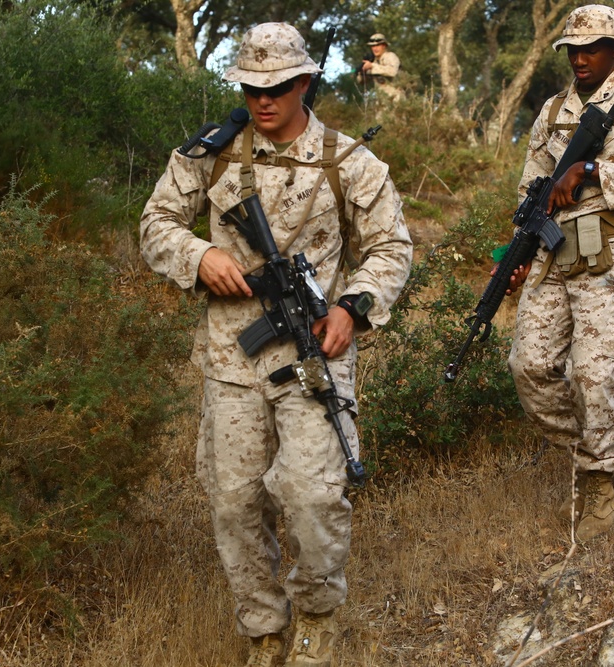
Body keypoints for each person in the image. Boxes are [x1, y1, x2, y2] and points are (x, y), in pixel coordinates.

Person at [139, 23, 412, 667]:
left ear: (306, 82)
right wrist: (198, 254)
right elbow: (155, 224)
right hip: (232, 358)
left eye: (280, 86)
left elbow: (392, 248)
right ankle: (263, 628)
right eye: (252, 87)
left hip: (313, 356)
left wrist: (354, 305)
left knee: (314, 493)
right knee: (233, 499)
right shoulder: (209, 155)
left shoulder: (350, 164)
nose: (265, 100)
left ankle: (317, 616)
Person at [504, 5, 614, 541]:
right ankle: (587, 449)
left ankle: (599, 478)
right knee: (528, 366)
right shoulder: (554, 109)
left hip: (612, 247)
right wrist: (519, 251)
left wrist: (593, 170)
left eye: (593, 48)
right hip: (554, 251)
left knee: (593, 372)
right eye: (573, 50)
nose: (581, 58)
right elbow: (531, 185)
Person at [358, 33, 403, 102]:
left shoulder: (390, 56)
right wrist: (362, 72)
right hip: (382, 100)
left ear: (384, 46)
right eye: (373, 46)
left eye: (378, 45)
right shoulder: (374, 61)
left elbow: (393, 72)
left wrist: (372, 66)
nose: (375, 48)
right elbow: (362, 81)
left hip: (395, 98)